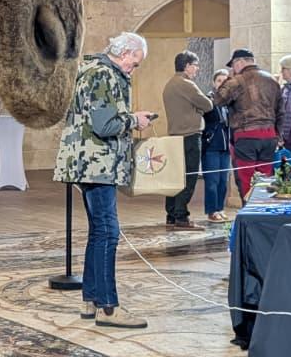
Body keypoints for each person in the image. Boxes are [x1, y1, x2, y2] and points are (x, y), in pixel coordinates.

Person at [54, 32, 156, 330]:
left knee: (99, 232)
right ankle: (108, 308)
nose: (132, 69)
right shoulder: (103, 74)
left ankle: (91, 299)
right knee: (109, 232)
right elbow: (104, 124)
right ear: (124, 53)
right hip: (96, 164)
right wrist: (134, 120)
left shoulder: (89, 69)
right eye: (133, 63)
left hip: (89, 163)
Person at [217, 47, 282, 199]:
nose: (232, 68)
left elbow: (219, 100)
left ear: (239, 63)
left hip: (246, 135)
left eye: (232, 65)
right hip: (269, 135)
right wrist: (278, 136)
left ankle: (248, 215)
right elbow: (281, 111)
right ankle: (263, 212)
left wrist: (228, 79)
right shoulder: (272, 79)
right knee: (265, 177)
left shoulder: (236, 81)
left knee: (246, 177)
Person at [161, 51, 212, 228]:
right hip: (190, 135)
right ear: (188, 65)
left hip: (174, 136)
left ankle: (171, 214)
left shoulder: (169, 84)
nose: (197, 70)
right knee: (188, 177)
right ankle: (182, 216)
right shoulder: (186, 84)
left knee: (175, 177)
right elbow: (207, 105)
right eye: (196, 66)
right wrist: (198, 110)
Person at [202, 68, 232, 223]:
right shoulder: (208, 100)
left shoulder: (230, 101)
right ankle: (212, 210)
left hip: (226, 147)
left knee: (223, 180)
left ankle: (220, 208)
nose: (222, 84)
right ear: (214, 83)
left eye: (225, 81)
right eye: (219, 80)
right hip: (212, 145)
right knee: (212, 180)